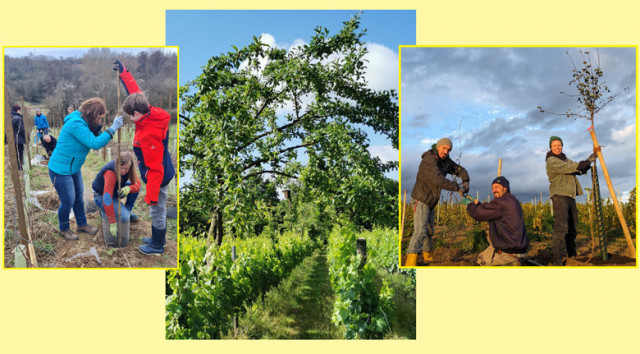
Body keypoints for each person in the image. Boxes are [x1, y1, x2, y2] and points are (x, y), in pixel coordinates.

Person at [115, 59, 175, 255]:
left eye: (130, 116)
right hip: (159, 169)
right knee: (157, 211)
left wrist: (151, 195)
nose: (130, 120)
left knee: (156, 210)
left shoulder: (149, 134)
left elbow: (156, 168)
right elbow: (135, 92)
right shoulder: (149, 112)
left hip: (158, 175)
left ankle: (157, 246)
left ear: (137, 114)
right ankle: (158, 238)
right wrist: (124, 73)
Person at [48, 98, 124, 241]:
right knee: (68, 200)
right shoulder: (76, 123)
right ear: (92, 114)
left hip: (73, 168)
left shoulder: (84, 122)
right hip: (60, 169)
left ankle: (81, 224)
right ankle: (64, 228)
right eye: (100, 118)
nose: (101, 121)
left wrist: (100, 129)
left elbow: (95, 135)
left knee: (78, 197)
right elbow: (94, 143)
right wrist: (113, 128)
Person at [405, 137, 470, 266]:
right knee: (420, 230)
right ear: (438, 147)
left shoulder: (445, 161)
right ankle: (410, 261)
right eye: (444, 148)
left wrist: (465, 181)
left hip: (431, 201)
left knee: (429, 231)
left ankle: (427, 256)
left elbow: (459, 170)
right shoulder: (429, 160)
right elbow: (437, 180)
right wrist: (457, 188)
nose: (446, 152)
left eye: (449, 150)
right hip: (421, 199)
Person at [546, 136, 595, 266]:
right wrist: (587, 160)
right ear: (550, 147)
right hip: (560, 195)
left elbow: (577, 169)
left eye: (559, 145)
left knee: (573, 227)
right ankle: (557, 259)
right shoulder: (551, 160)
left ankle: (572, 256)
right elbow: (569, 168)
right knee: (561, 227)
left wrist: (589, 163)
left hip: (570, 195)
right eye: (555, 145)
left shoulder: (565, 159)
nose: (557, 147)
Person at [466, 176, 529, 266]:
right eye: (492, 188)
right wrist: (480, 205)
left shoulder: (502, 202)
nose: (494, 190)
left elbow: (478, 214)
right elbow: (491, 209)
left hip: (507, 252)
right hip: (517, 249)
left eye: (497, 187)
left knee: (475, 263)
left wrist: (469, 204)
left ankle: (509, 263)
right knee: (477, 257)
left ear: (505, 188)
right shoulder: (512, 200)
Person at [92, 151, 141, 246]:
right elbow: (107, 199)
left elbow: (138, 185)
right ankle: (104, 211)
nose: (123, 171)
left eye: (126, 169)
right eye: (121, 168)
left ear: (130, 166)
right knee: (124, 216)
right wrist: (112, 222)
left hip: (114, 191)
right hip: (101, 196)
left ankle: (128, 210)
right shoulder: (110, 172)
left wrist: (129, 188)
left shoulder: (130, 169)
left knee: (134, 189)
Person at [10, 104, 26, 170]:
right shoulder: (18, 118)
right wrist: (26, 137)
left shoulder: (11, 117)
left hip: (12, 139)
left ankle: (16, 166)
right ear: (18, 110)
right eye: (19, 110)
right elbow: (22, 129)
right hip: (18, 139)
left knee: (15, 153)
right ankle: (19, 167)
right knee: (20, 153)